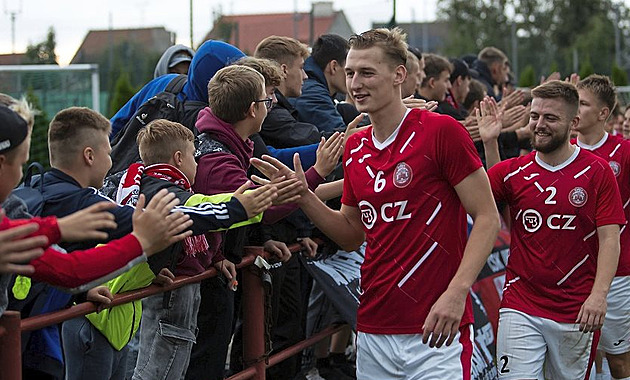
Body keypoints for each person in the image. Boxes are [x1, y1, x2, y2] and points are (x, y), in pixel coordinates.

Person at [253, 27, 500, 379]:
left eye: (367, 72)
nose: (356, 83)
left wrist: (457, 292)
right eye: (351, 72)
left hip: (437, 328)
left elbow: (487, 217)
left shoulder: (440, 131)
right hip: (373, 327)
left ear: (399, 75)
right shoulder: (355, 147)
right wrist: (305, 197)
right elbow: (352, 234)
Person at [187, 64, 342, 380]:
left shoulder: (230, 142)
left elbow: (254, 210)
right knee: (207, 360)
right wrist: (318, 172)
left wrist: (259, 238)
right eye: (267, 99)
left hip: (220, 264)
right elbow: (261, 206)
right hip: (202, 276)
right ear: (251, 110)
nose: (271, 105)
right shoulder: (218, 159)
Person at [483, 80, 625, 379]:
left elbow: (610, 238)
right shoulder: (515, 170)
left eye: (550, 118)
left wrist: (599, 296)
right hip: (520, 303)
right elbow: (484, 203)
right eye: (535, 116)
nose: (539, 125)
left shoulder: (597, 172)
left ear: (573, 123)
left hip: (575, 309)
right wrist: (490, 143)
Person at [128, 119, 282, 380]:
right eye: (193, 157)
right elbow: (199, 209)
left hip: (151, 297)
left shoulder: (139, 184)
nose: (197, 164)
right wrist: (243, 205)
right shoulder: (163, 191)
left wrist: (216, 256)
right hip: (168, 302)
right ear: (178, 158)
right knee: (160, 373)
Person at [574, 74, 630, 380]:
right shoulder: (563, 150)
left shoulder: (624, 152)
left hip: (618, 274)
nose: (576, 109)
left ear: (603, 114)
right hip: (572, 275)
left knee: (618, 360)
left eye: (582, 103)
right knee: (583, 358)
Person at [292, 34, 349, 133]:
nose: (355, 78)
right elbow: (340, 137)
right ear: (334, 66)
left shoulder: (313, 89)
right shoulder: (313, 95)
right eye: (349, 70)